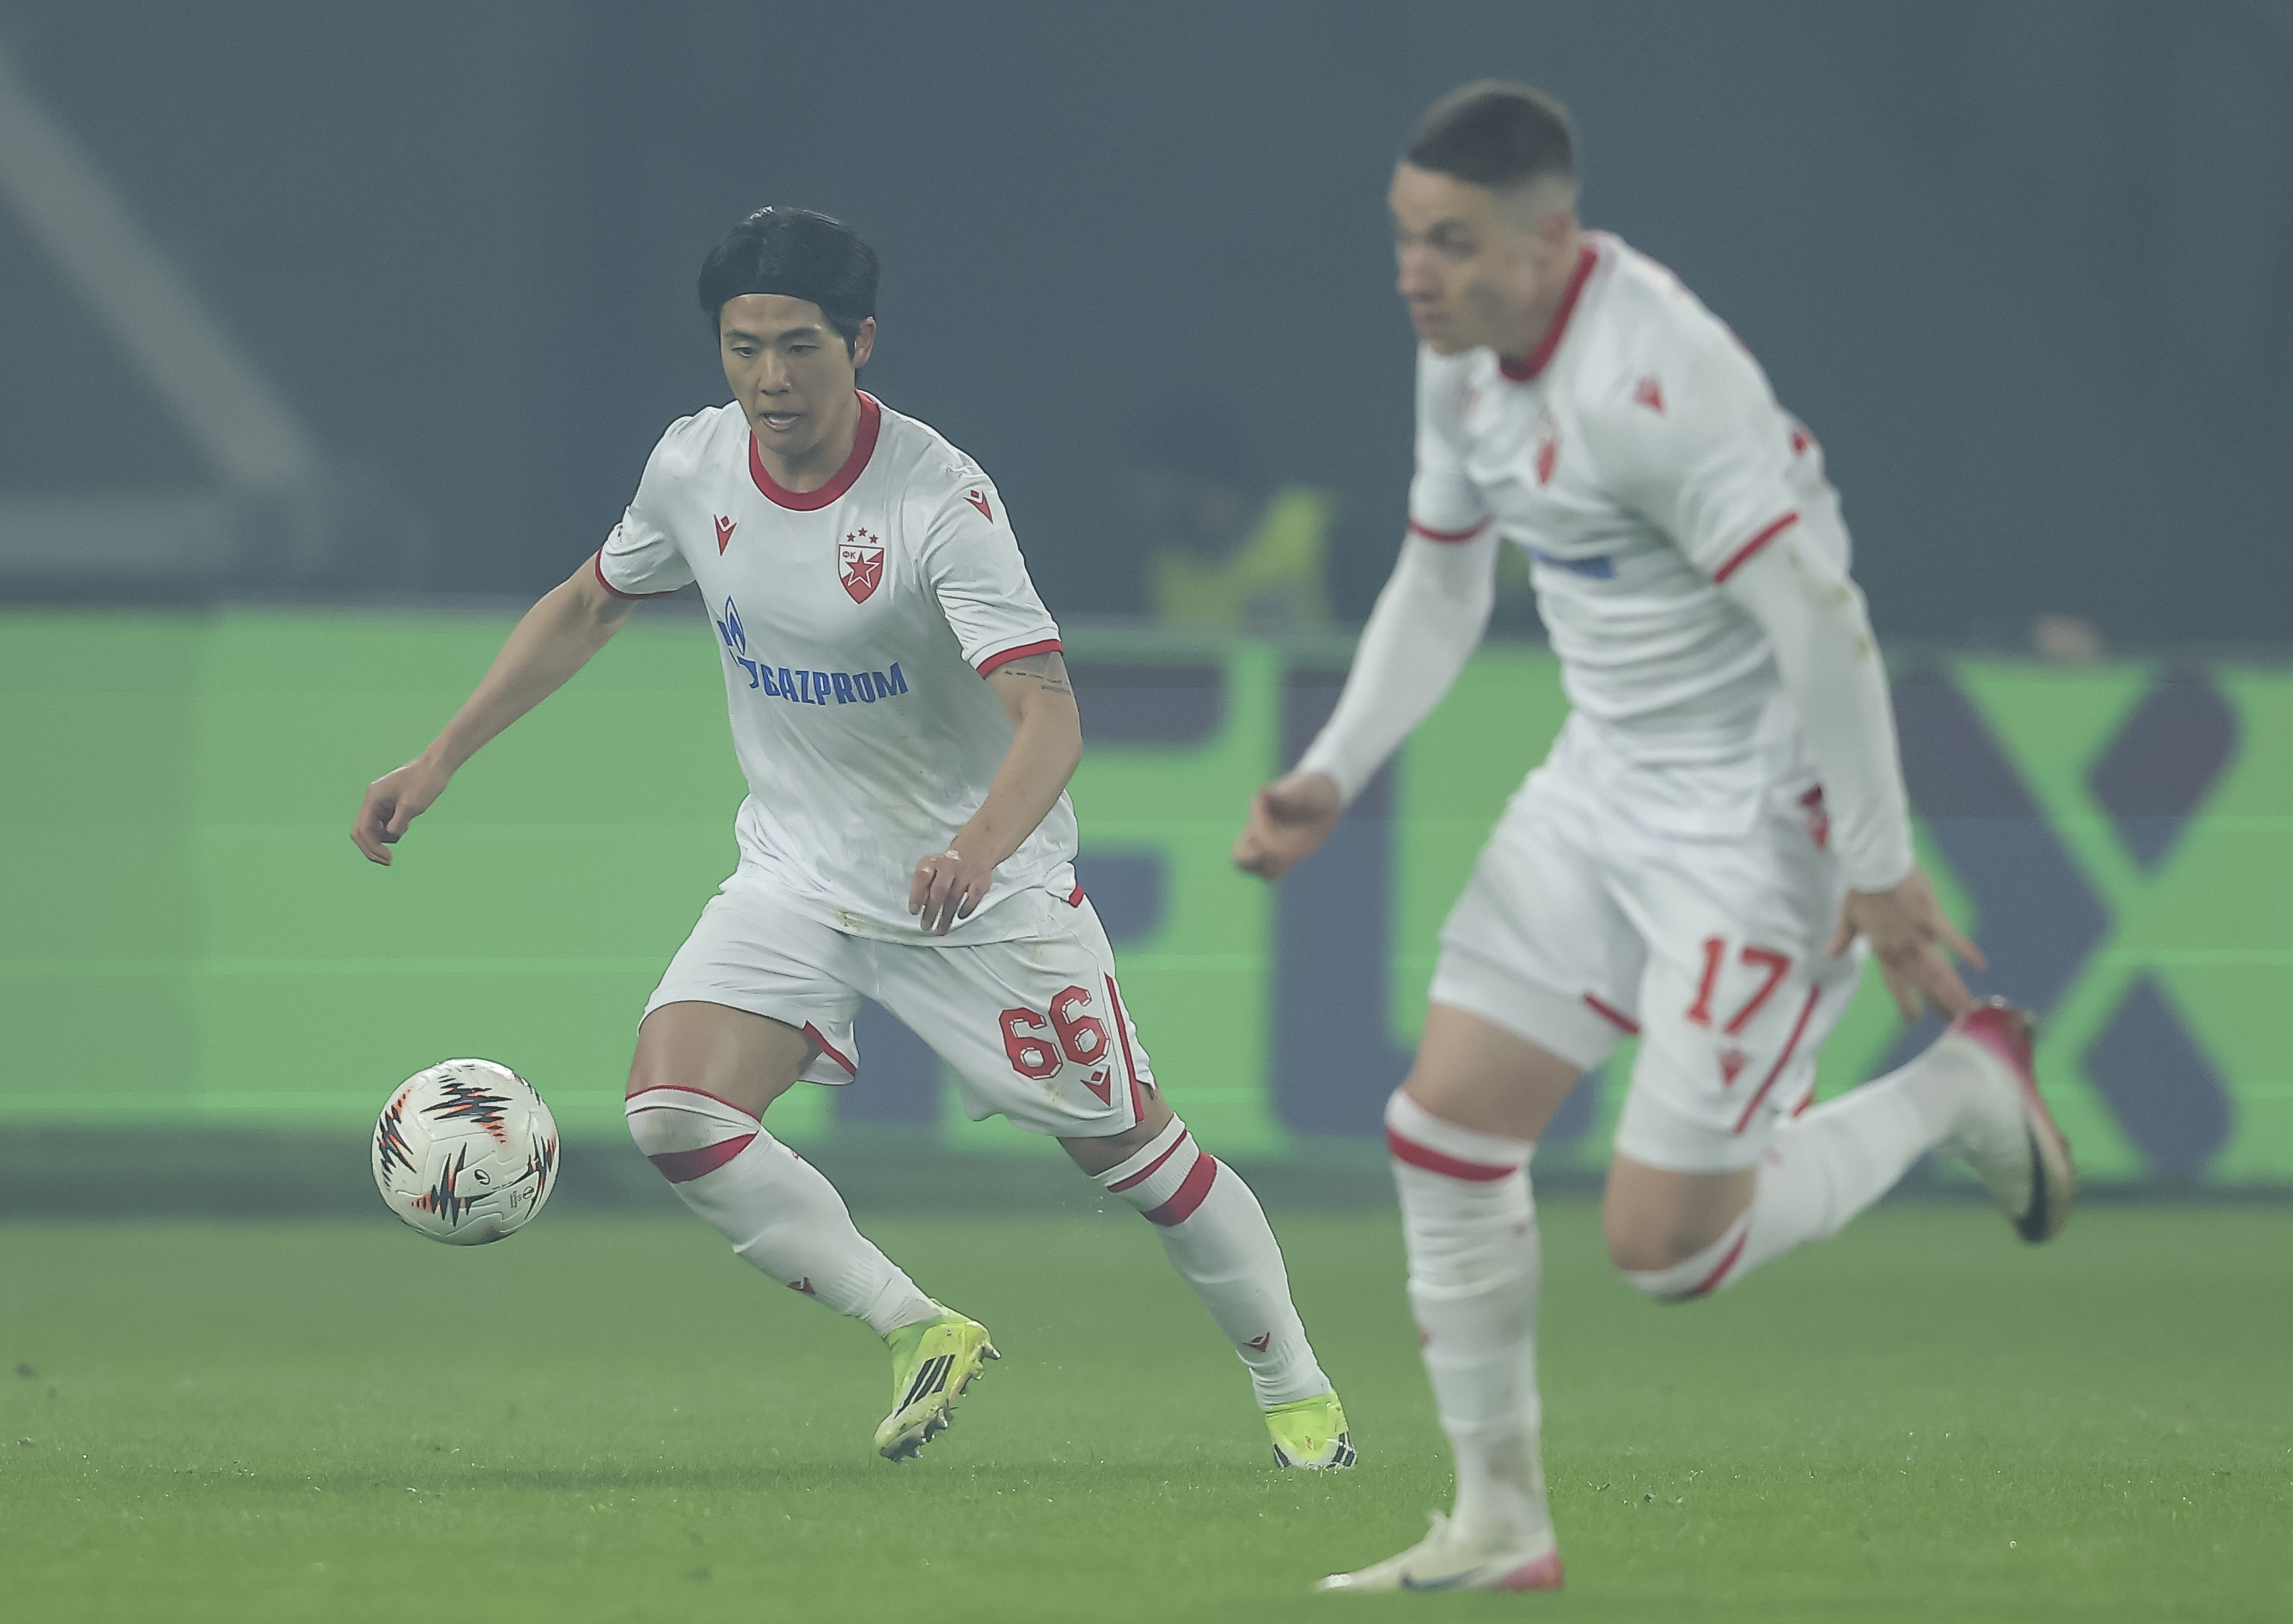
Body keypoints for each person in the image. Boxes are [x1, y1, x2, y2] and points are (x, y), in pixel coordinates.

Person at [1232, 83, 2074, 1591]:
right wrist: (1333, 769)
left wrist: (1877, 865)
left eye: (1451, 243)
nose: (1415, 273)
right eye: (1405, 240)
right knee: (1443, 1131)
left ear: (1551, 239)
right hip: (1599, 783)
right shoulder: (1465, 360)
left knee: (1668, 1248)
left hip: (1757, 824)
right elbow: (1440, 582)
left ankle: (1957, 1089)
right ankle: (1498, 1522)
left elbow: (1821, 621)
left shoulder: (1657, 383)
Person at [354, 207, 1351, 1471]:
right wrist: (438, 758)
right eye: (742, 347)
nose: (769, 378)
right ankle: (917, 1324)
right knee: (674, 1112)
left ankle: (1296, 1388)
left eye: (799, 347)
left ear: (862, 342)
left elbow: (1049, 715)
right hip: (798, 874)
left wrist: (983, 847)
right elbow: (588, 605)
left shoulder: (942, 504)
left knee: (1139, 1157)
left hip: (979, 901)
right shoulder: (692, 468)